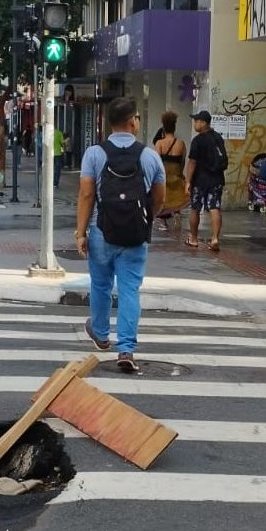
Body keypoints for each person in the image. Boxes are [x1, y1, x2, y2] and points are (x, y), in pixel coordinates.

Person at [74, 96, 166, 373]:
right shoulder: (150, 156)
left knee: (100, 284)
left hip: (102, 230)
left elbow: (87, 194)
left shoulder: (94, 154)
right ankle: (126, 348)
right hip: (136, 234)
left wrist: (81, 233)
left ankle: (101, 335)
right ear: (132, 122)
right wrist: (146, 218)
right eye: (137, 117)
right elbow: (159, 197)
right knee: (129, 290)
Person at [183, 109, 224, 251]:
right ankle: (215, 238)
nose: (195, 124)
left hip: (200, 180)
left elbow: (192, 162)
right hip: (217, 179)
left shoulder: (197, 140)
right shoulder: (218, 137)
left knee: (195, 208)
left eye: (196, 121)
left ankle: (193, 239)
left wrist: (188, 181)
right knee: (215, 207)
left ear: (203, 123)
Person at [152, 110, 189, 232]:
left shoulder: (159, 143)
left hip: (164, 174)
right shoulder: (181, 143)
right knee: (177, 197)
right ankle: (176, 214)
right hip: (176, 173)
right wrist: (180, 173)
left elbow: (156, 162)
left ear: (164, 127)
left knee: (164, 199)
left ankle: (163, 222)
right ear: (174, 127)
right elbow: (183, 160)